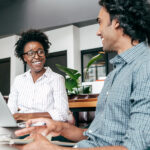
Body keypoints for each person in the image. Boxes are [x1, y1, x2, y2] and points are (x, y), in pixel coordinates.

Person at [14, 0, 150, 149]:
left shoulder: (145, 66)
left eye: (100, 22)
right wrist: (59, 127)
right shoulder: (115, 74)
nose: (98, 31)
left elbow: (137, 146)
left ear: (116, 22)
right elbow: (97, 136)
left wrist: (52, 148)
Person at [7, 29, 70, 122]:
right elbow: (10, 112)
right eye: (30, 53)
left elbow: (62, 114)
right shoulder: (18, 80)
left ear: (45, 53)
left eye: (40, 51)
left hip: (45, 130)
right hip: (21, 129)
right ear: (24, 58)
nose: (36, 56)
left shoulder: (56, 79)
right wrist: (17, 117)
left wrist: (25, 116)